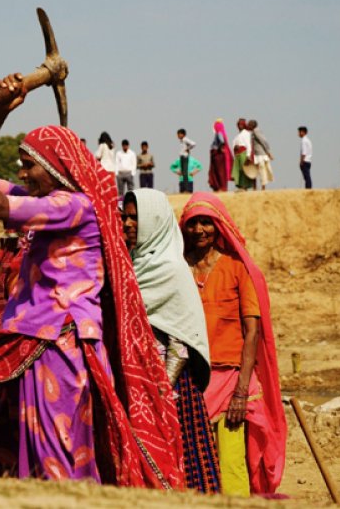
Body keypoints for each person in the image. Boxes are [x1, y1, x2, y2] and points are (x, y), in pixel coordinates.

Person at [0, 73, 183, 487]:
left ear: (55, 170)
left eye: (29, 167)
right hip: (24, 339)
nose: (24, 173)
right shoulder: (45, 200)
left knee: (55, 464)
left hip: (59, 343)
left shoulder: (73, 207)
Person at [180, 193, 286, 496]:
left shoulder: (237, 268)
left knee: (231, 464)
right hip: (190, 382)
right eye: (192, 223)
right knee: (193, 467)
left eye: (206, 222)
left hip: (230, 383)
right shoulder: (177, 268)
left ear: (218, 226)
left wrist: (241, 392)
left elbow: (252, 332)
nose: (199, 229)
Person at [122, 189, 220, 493]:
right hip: (137, 386)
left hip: (170, 389)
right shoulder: (130, 266)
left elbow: (180, 343)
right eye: (124, 216)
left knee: (183, 469)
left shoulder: (171, 269)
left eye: (135, 218)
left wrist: (160, 393)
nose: (126, 224)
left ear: (154, 222)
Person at [248, 120, 274, 190]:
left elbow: (263, 141)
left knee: (262, 171)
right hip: (258, 154)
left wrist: (268, 152)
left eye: (249, 124)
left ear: (252, 125)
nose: (248, 125)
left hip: (260, 155)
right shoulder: (253, 132)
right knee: (259, 171)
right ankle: (257, 187)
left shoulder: (256, 131)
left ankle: (263, 187)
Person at [208, 119, 233, 193]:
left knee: (219, 171)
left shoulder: (219, 133)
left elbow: (222, 141)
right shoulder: (221, 133)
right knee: (220, 171)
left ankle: (221, 187)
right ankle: (220, 187)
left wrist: (220, 148)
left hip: (218, 155)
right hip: (218, 154)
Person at [231, 119, 255, 191]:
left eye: (241, 125)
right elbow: (234, 143)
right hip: (237, 154)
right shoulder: (238, 135)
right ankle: (240, 186)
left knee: (244, 170)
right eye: (238, 125)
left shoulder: (246, 133)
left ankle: (245, 187)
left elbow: (248, 145)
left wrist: (248, 156)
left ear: (244, 125)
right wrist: (235, 147)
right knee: (238, 171)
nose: (239, 126)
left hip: (243, 153)